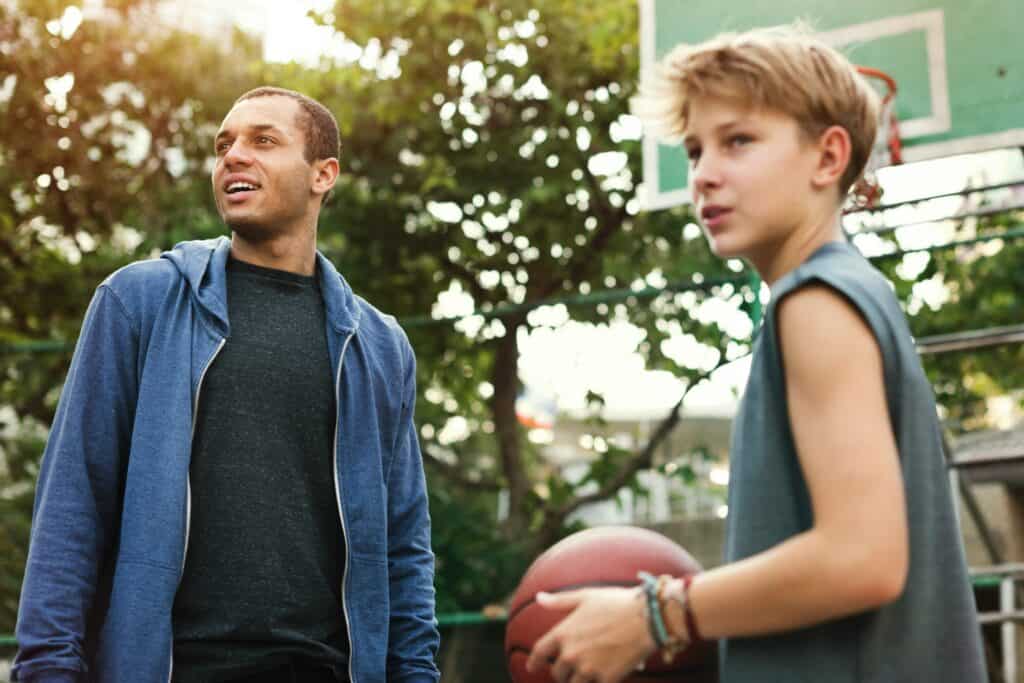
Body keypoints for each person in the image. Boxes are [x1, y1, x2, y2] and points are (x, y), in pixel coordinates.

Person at [525, 24, 988, 683]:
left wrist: (657, 614)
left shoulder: (816, 303)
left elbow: (864, 557)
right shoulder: (847, 292)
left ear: (828, 158)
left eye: (738, 140)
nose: (705, 174)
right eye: (694, 150)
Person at [13, 87, 440, 683]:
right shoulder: (140, 303)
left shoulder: (378, 346)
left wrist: (415, 673)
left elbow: (402, 545)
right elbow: (72, 505)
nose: (234, 156)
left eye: (263, 140)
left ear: (324, 175)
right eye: (224, 145)